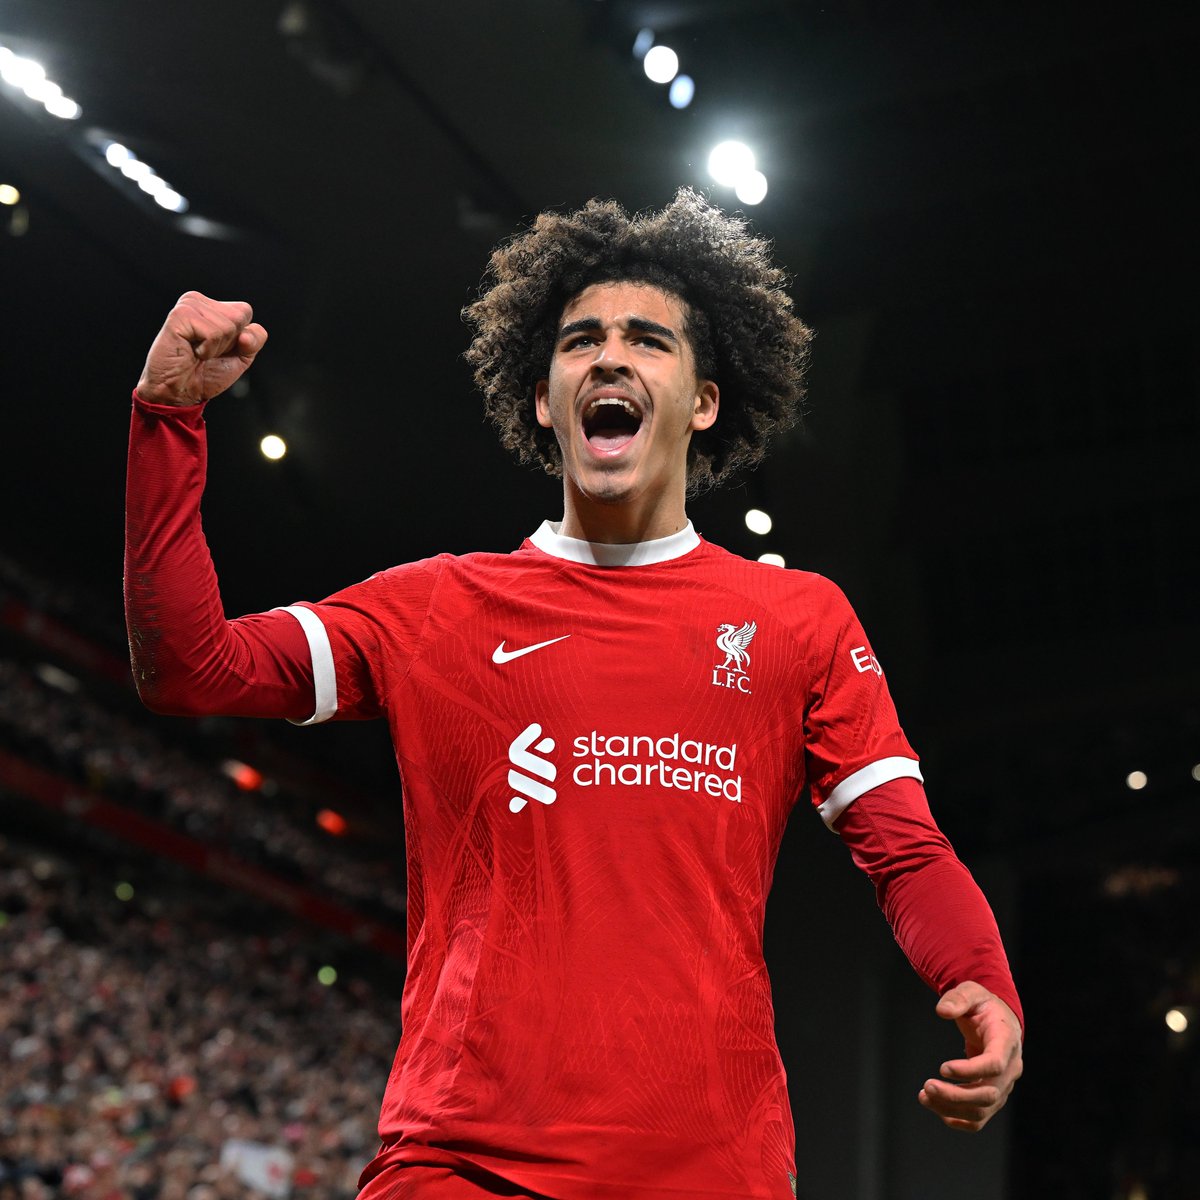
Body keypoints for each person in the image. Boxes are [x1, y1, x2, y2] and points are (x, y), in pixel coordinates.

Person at [125, 189, 1023, 1200]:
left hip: (709, 1173)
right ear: (545, 399)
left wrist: (979, 977)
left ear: (705, 400)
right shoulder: (437, 610)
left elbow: (904, 847)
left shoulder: (797, 621)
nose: (610, 357)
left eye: (649, 341)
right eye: (581, 339)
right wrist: (168, 421)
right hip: (462, 1165)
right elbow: (189, 667)